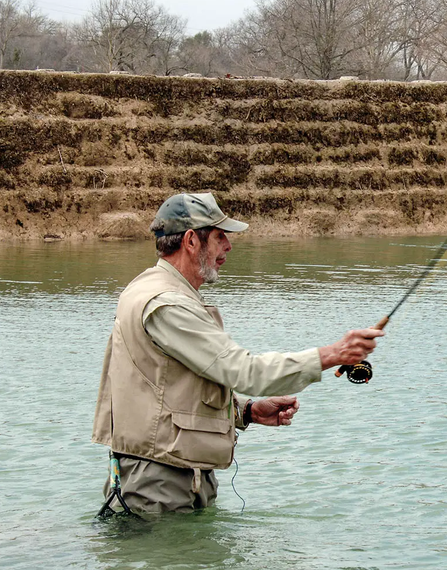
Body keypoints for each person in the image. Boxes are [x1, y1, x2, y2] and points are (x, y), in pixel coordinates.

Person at [92, 192, 384, 515]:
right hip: (160, 485)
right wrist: (333, 354)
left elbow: (169, 388)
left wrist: (247, 412)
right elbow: (243, 371)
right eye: (220, 237)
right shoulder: (168, 305)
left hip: (170, 478)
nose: (228, 247)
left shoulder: (154, 290)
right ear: (191, 241)